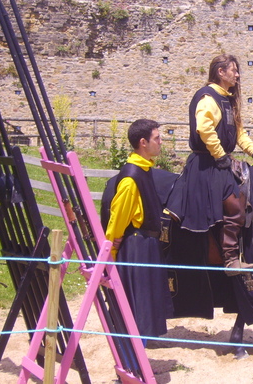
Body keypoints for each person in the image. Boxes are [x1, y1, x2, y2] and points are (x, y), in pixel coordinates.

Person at [178, 53, 253, 276]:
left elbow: (239, 133)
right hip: (206, 164)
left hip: (219, 161)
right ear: (221, 72)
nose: (237, 74)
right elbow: (205, 128)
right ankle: (230, 260)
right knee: (236, 206)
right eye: (234, 70)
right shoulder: (208, 97)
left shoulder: (226, 100)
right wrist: (220, 155)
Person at [105, 118, 172, 341]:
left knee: (146, 306)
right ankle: (135, 363)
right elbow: (117, 221)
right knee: (138, 308)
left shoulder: (144, 170)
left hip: (147, 246)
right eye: (157, 138)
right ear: (143, 142)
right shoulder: (131, 178)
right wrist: (110, 257)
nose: (161, 142)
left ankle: (138, 362)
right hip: (136, 249)